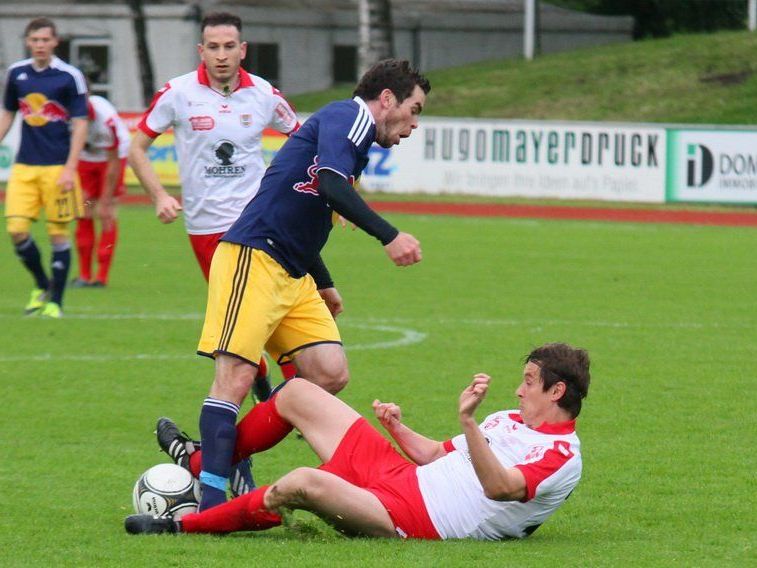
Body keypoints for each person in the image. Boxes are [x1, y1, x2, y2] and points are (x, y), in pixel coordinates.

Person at [189, 57, 430, 512]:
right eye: (414, 109)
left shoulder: (352, 138)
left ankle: (202, 458)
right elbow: (330, 185)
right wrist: (390, 235)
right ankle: (212, 501)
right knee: (235, 378)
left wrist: (324, 281)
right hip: (254, 257)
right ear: (386, 100)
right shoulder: (348, 116)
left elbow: (304, 205)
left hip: (295, 272)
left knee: (327, 373)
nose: (414, 123)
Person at [125, 342, 591, 540]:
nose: (518, 389)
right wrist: (396, 428)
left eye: (529, 381)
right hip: (399, 474)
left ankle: (181, 528)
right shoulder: (508, 419)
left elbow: (500, 488)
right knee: (298, 392)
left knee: (302, 482)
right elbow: (433, 455)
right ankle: (198, 463)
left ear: (557, 391)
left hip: (412, 520)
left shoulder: (561, 456)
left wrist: (470, 423)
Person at [128, 11, 300, 396]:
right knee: (239, 320)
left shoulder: (264, 94)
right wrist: (159, 196)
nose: (221, 55)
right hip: (207, 228)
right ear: (201, 50)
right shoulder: (177, 93)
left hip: (259, 221)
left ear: (242, 50)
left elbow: (303, 140)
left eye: (228, 47)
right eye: (213, 47)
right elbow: (136, 148)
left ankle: (293, 394)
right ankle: (267, 389)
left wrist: (286, 191)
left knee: (272, 311)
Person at [0, 17, 88, 318]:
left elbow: (79, 124)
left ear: (55, 42)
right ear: (28, 41)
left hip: (57, 167)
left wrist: (70, 168)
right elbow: (8, 113)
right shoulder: (17, 73)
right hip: (24, 166)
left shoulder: (69, 76)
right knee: (16, 229)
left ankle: (55, 303)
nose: (40, 45)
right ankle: (41, 284)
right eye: (34, 40)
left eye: (45, 40)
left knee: (57, 234)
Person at [71, 94, 130, 287]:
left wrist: (105, 199)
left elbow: (113, 162)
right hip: (85, 159)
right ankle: (84, 275)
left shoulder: (106, 121)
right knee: (84, 210)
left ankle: (101, 277)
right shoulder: (64, 112)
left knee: (106, 213)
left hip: (111, 159)